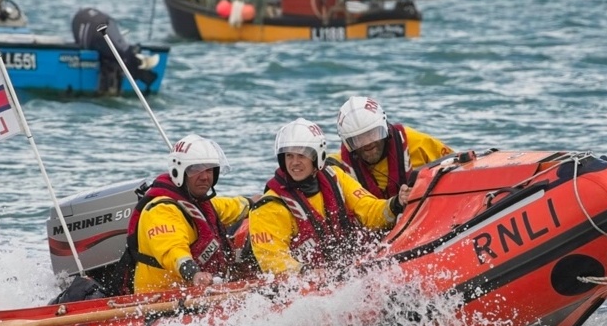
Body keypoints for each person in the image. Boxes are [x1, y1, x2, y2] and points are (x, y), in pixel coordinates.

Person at [248, 118, 408, 278]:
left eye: (301, 156)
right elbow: (273, 260)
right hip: (307, 283)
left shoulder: (336, 178)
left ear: (317, 157)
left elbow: (369, 210)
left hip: (344, 269)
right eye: (289, 156)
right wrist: (307, 273)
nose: (294, 163)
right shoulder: (270, 206)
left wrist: (396, 203)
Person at [129, 135, 251, 294]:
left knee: (250, 225)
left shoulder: (200, 203)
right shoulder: (160, 210)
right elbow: (173, 251)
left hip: (197, 292)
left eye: (209, 170)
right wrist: (193, 273)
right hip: (159, 299)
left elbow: (232, 206)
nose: (205, 176)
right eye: (196, 169)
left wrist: (255, 202)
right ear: (179, 171)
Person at [335, 96, 453, 199]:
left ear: (385, 128)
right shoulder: (338, 167)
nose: (367, 143)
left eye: (372, 134)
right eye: (358, 139)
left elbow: (458, 164)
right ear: (348, 143)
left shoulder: (418, 143)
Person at [71, 7, 159, 90]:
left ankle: (138, 64)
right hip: (104, 27)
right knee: (123, 52)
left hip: (96, 30)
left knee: (121, 53)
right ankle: (139, 64)